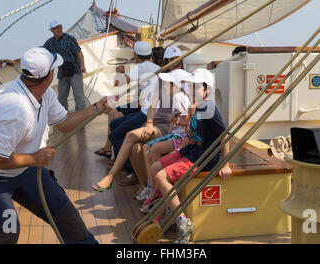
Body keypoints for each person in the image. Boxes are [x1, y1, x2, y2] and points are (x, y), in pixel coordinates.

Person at [0, 47, 108, 244]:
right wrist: (34, 159)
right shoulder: (16, 111)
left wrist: (96, 108)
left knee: (68, 220)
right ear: (49, 76)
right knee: (8, 231)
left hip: (22, 167)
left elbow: (64, 124)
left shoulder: (45, 93)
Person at [150, 68, 232, 244]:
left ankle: (182, 221)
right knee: (155, 167)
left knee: (160, 176)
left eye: (196, 87)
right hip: (193, 149)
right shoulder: (199, 106)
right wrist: (189, 134)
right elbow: (198, 130)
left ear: (206, 89)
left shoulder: (209, 107)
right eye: (191, 86)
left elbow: (224, 135)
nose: (192, 90)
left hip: (204, 157)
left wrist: (225, 164)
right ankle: (163, 210)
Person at [93, 42, 160, 160]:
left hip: (146, 110)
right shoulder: (158, 68)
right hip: (147, 105)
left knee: (115, 126)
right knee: (114, 113)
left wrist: (118, 72)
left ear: (136, 55)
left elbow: (118, 83)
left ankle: (122, 162)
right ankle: (108, 150)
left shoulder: (140, 67)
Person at [138, 69, 192, 208]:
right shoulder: (181, 96)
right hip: (177, 133)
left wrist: (174, 121)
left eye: (169, 84)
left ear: (176, 85)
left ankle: (156, 189)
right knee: (147, 147)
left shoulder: (178, 97)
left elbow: (186, 118)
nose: (166, 86)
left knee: (152, 148)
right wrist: (172, 124)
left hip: (181, 137)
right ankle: (153, 186)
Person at [43, 20, 86, 111]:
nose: (59, 29)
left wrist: (82, 65)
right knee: (61, 98)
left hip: (75, 71)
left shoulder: (70, 39)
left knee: (79, 96)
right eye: (56, 28)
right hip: (62, 73)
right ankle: (64, 119)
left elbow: (79, 53)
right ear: (52, 30)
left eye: (60, 27)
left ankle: (81, 120)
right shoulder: (49, 43)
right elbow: (42, 52)